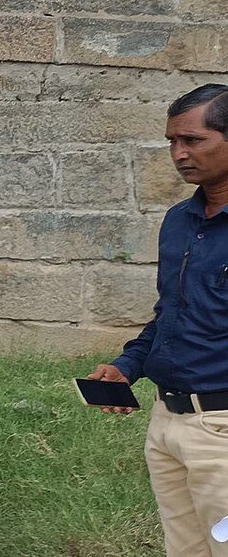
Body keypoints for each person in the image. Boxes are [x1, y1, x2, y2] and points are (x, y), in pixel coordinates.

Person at [87, 84, 228, 557]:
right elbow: (173, 312)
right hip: (167, 421)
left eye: (193, 140)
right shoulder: (179, 221)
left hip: (222, 428)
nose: (179, 153)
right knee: (184, 549)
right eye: (172, 142)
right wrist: (128, 365)